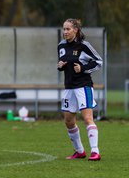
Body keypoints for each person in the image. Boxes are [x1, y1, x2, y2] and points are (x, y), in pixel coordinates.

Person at [57, 18, 103, 161]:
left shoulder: (83, 46)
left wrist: (83, 68)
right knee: (69, 121)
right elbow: (65, 63)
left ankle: (95, 152)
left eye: (68, 29)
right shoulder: (61, 46)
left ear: (75, 30)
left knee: (87, 118)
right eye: (64, 29)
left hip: (83, 86)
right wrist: (61, 66)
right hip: (69, 87)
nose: (65, 32)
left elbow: (98, 62)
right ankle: (79, 151)